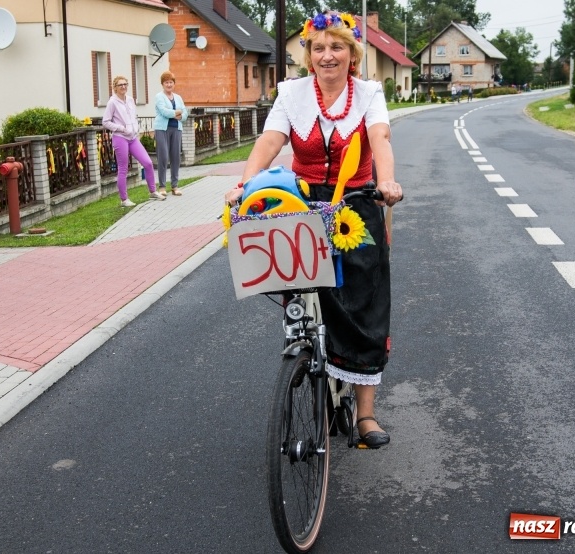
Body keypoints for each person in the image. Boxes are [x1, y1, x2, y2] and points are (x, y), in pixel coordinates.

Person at [224, 11, 402, 448]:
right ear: (308, 54)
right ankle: (307, 353)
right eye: (318, 47)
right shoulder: (292, 93)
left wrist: (387, 181)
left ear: (352, 53)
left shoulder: (369, 93)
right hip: (303, 200)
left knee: (364, 302)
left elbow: (380, 139)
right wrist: (247, 182)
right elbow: (269, 141)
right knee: (298, 286)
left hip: (358, 201)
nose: (327, 55)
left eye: (336, 47)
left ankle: (365, 414)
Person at [103, 75, 163, 206]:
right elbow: (105, 122)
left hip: (133, 137)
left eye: (125, 84)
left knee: (147, 163)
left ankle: (152, 191)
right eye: (120, 85)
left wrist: (135, 128)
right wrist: (121, 128)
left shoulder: (130, 100)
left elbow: (133, 117)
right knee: (123, 168)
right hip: (120, 138)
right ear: (115, 88)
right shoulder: (112, 102)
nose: (123, 87)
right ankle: (124, 199)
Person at [154, 71, 188, 196]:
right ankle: (162, 186)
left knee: (175, 157)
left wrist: (180, 116)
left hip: (176, 129)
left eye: (171, 82)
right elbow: (164, 112)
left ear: (174, 84)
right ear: (162, 84)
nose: (169, 85)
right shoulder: (159, 96)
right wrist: (177, 112)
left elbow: (185, 114)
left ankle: (175, 186)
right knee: (163, 157)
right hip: (162, 129)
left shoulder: (178, 97)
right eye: (166, 82)